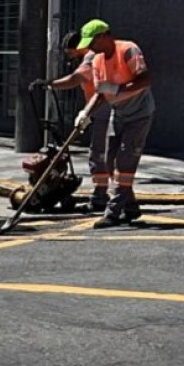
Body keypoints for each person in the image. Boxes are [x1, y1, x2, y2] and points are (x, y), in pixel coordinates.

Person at [74, 19, 155, 228]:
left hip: (139, 114)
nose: (90, 48)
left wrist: (120, 90)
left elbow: (144, 79)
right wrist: (86, 114)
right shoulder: (98, 60)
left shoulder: (128, 50)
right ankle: (131, 207)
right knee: (110, 161)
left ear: (104, 36)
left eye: (92, 42)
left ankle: (113, 212)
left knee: (126, 162)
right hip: (118, 114)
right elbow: (101, 93)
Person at [31, 30, 118, 211]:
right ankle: (104, 194)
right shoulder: (92, 57)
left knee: (98, 155)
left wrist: (49, 83)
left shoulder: (91, 58)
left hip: (104, 110)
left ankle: (101, 196)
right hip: (97, 110)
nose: (69, 56)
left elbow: (74, 79)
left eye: (70, 52)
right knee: (102, 154)